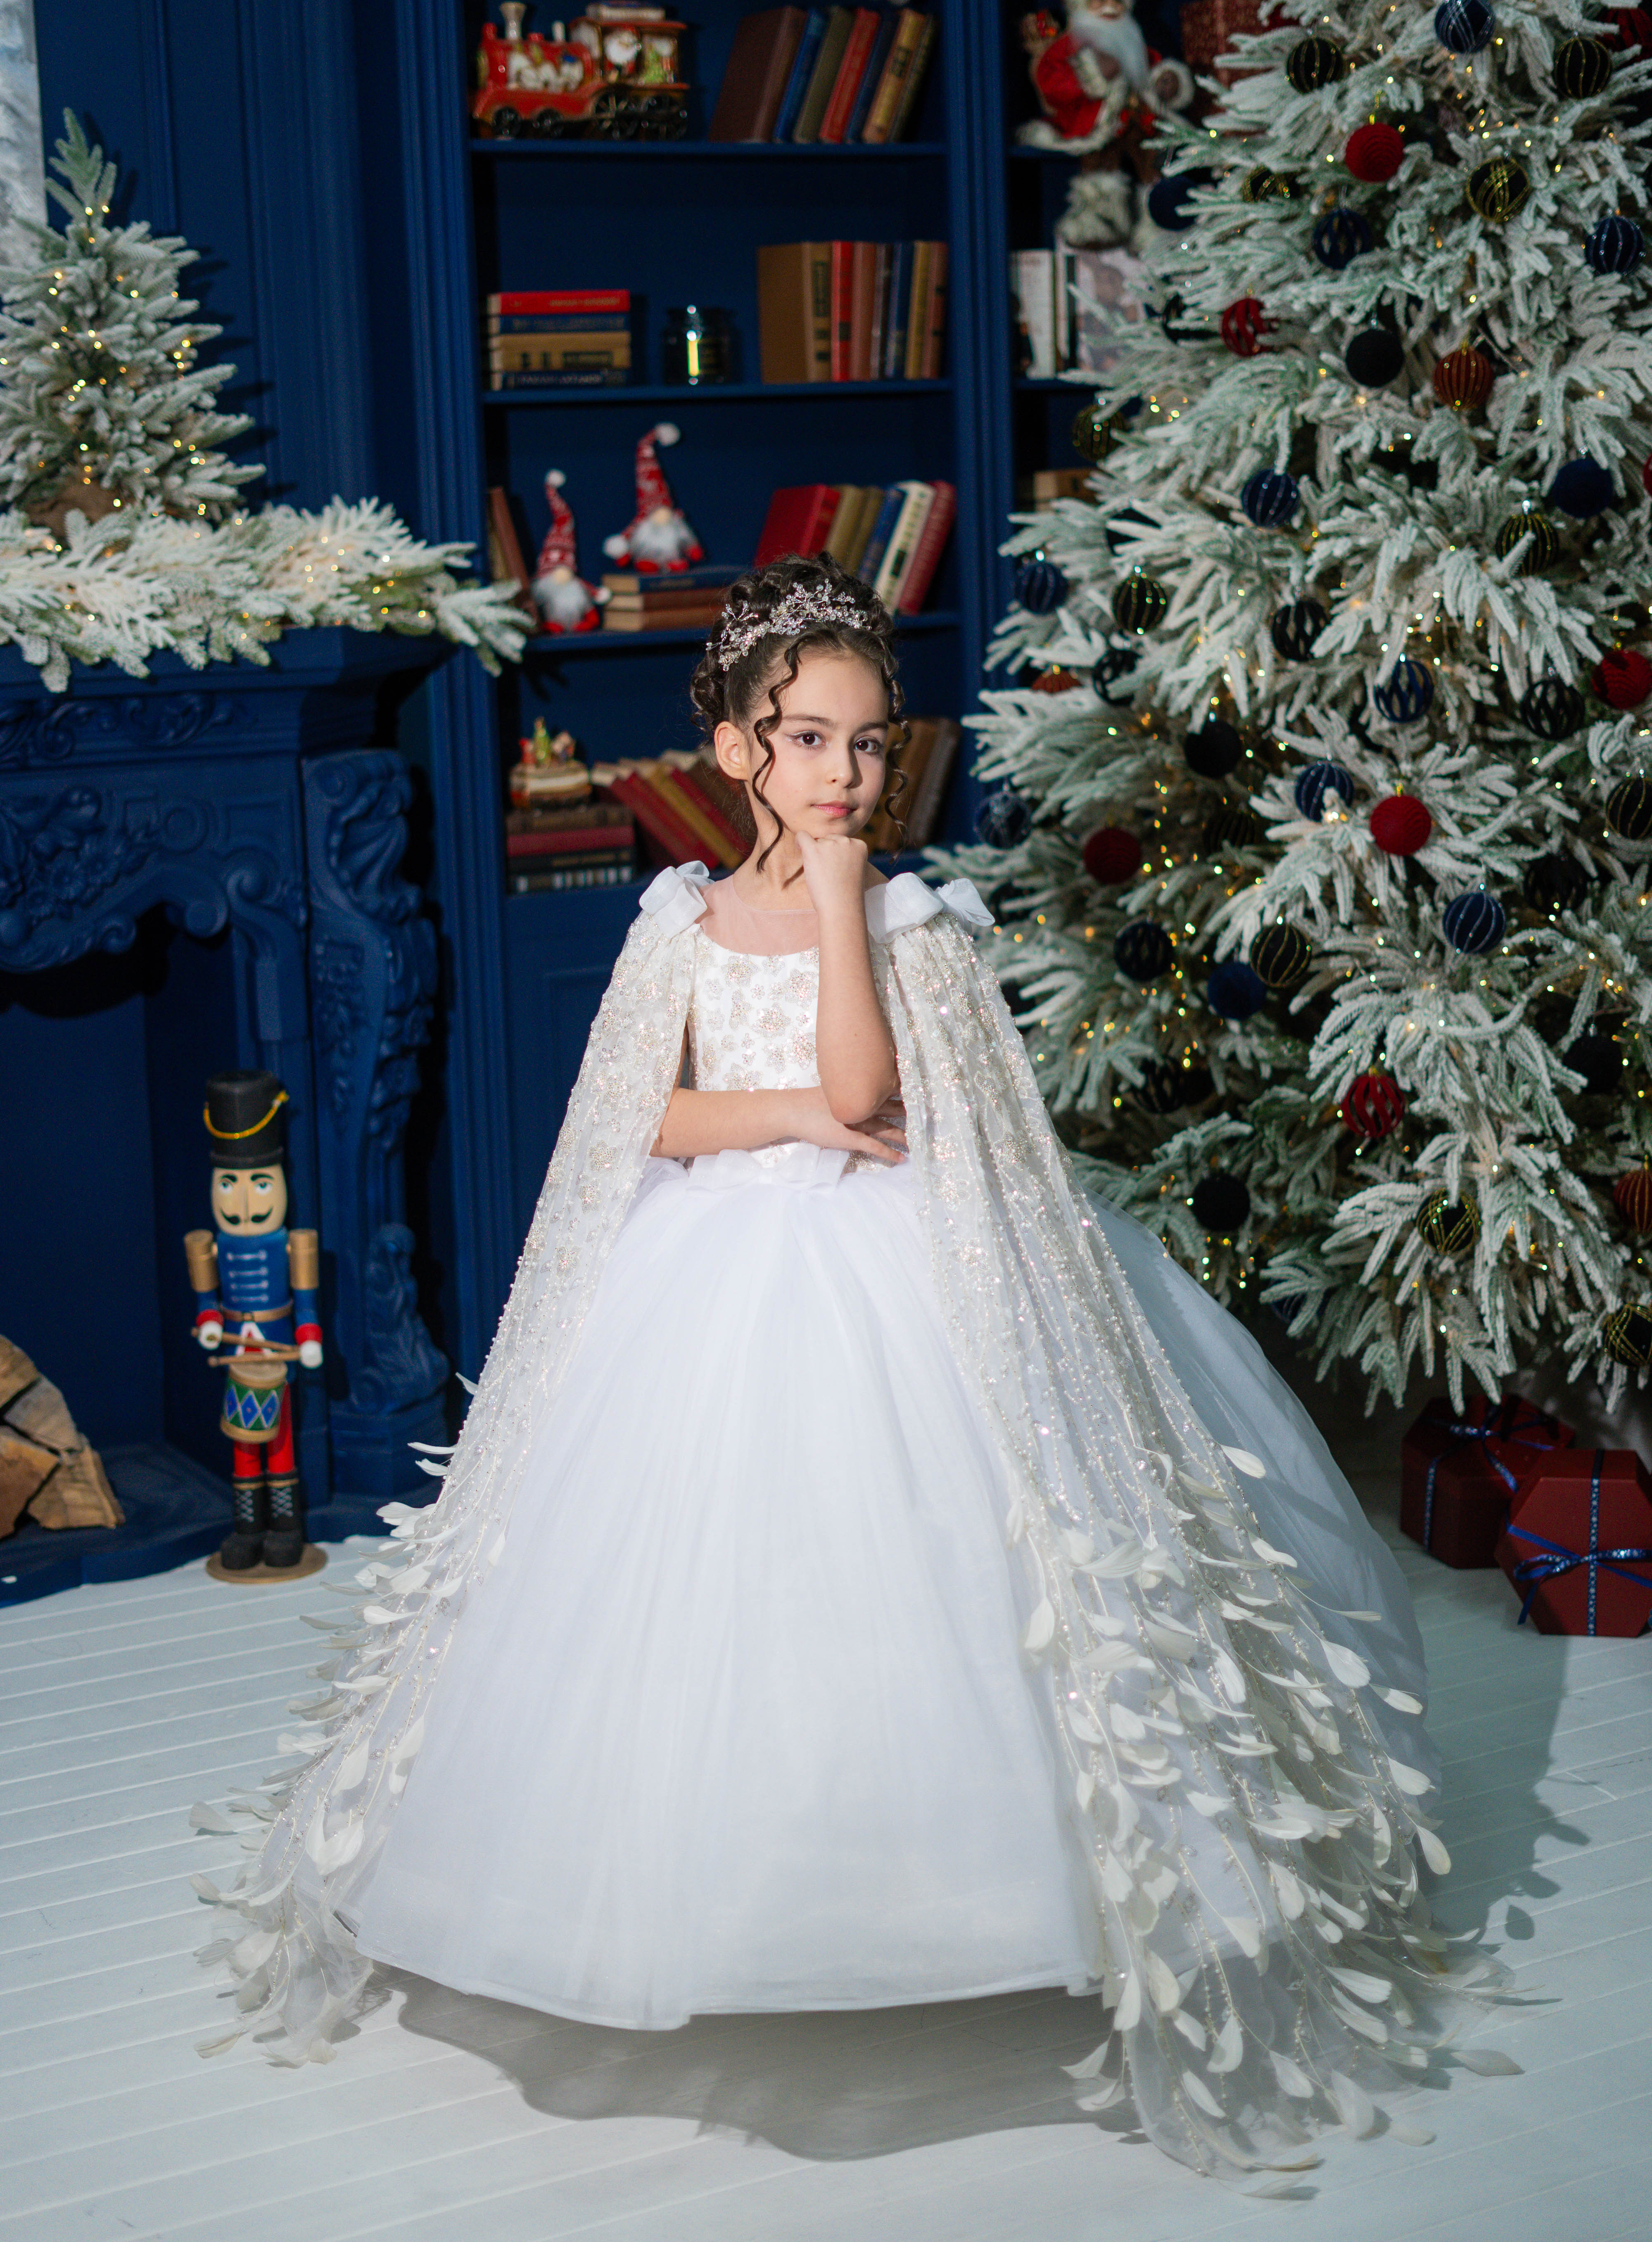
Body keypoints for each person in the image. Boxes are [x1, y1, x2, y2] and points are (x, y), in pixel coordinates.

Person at [195, 560, 1504, 2179]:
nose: (841, 773)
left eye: (869, 744)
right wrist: (800, 1119)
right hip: (714, 1270)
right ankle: (720, 1895)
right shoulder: (675, 918)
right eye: (805, 739)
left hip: (901, 1262)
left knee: (936, 1567)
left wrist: (835, 903)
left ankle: (969, 1891)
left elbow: (873, 1090)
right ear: (737, 748)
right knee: (704, 1586)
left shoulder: (908, 922)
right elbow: (638, 1126)